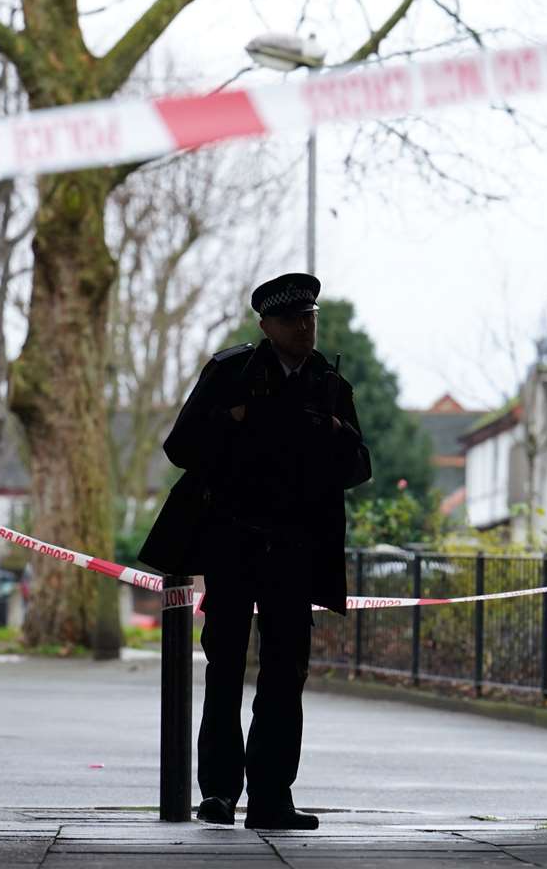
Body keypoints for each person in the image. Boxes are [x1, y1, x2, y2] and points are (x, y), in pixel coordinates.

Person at [139, 272, 372, 830]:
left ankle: (272, 798)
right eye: (294, 319)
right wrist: (232, 420)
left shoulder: (329, 383)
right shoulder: (229, 373)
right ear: (267, 326)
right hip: (233, 542)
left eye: (311, 317)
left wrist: (335, 433)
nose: (305, 326)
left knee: (285, 675)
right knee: (224, 667)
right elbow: (180, 448)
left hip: (295, 549)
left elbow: (359, 467)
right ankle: (218, 792)